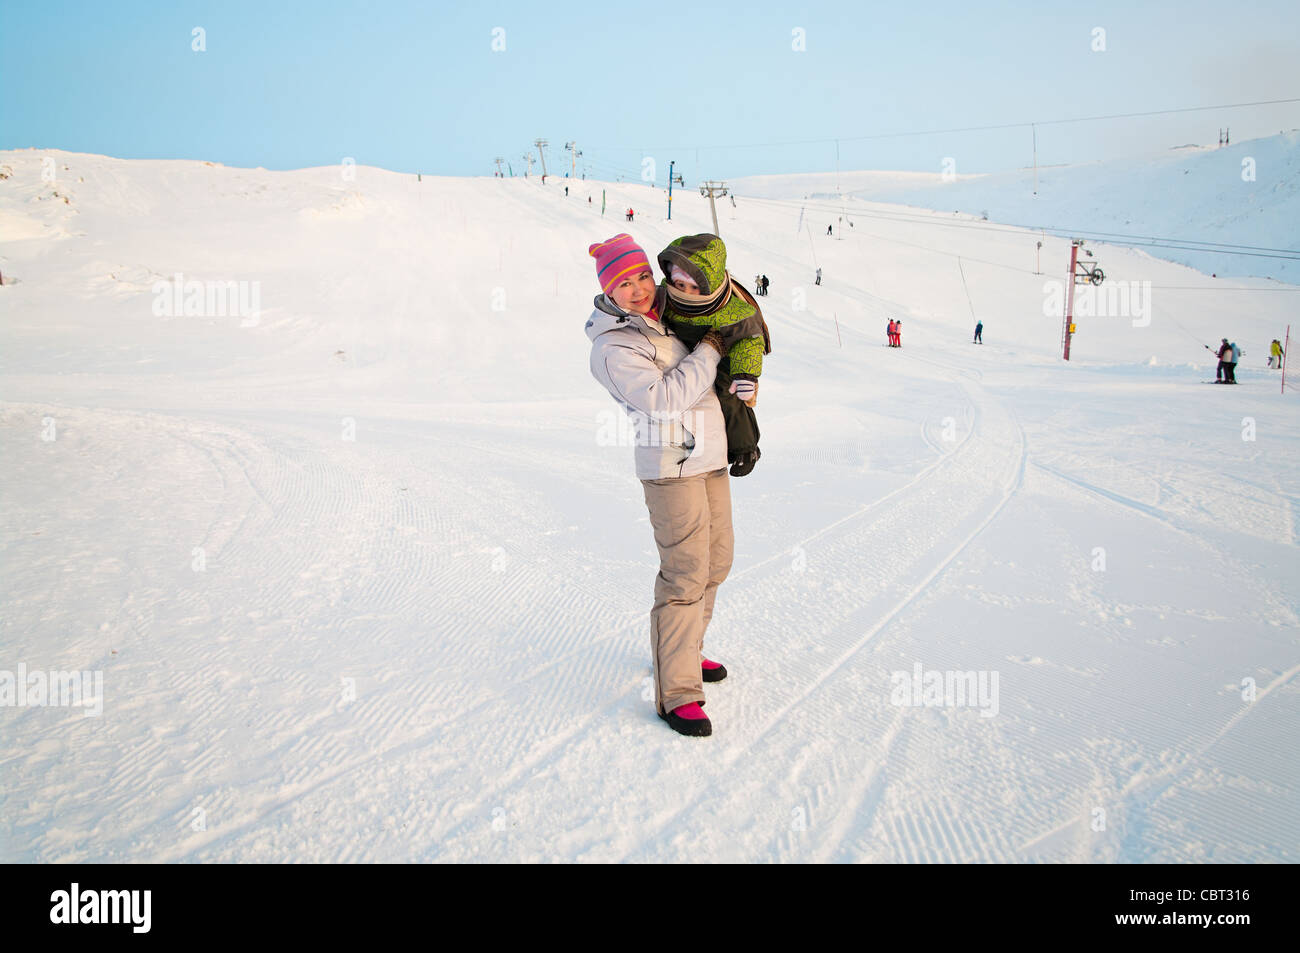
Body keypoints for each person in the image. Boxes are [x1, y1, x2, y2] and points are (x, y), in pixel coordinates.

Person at [584, 234, 734, 738]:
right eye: (624, 282)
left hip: (710, 456)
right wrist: (711, 350)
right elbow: (664, 399)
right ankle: (678, 691)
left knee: (717, 562)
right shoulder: (613, 346)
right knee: (685, 574)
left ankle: (684, 651)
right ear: (608, 289)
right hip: (671, 467)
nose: (639, 289)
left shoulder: (666, 320)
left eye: (643, 275)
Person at [656, 233, 770, 480]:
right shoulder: (666, 297)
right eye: (680, 284)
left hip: (724, 356)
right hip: (686, 352)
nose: (686, 292)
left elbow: (748, 338)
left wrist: (745, 374)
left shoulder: (730, 308)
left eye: (694, 287)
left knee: (726, 393)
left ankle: (745, 448)